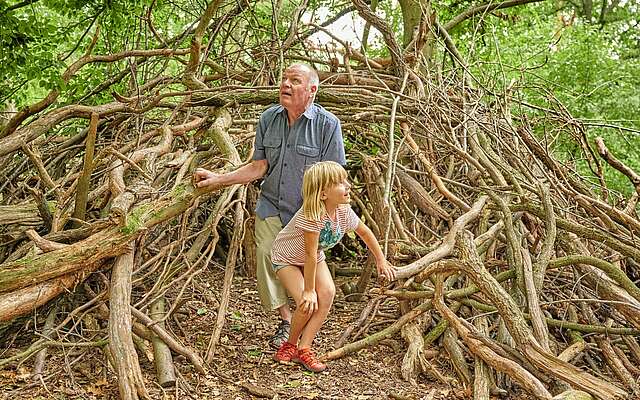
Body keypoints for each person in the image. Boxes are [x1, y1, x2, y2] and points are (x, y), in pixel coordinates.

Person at [194, 63, 346, 349]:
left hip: (307, 214)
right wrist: (219, 180)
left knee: (309, 277)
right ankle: (287, 320)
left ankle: (303, 331)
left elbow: (335, 177)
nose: (285, 85)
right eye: (284, 79)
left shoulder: (328, 125)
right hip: (272, 206)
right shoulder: (269, 119)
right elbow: (258, 166)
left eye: (294, 80)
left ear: (312, 90)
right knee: (266, 252)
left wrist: (330, 217)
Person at [271, 161, 396, 372]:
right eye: (339, 182)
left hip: (313, 256)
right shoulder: (312, 215)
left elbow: (364, 233)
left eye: (345, 180)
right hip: (288, 258)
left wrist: (380, 260)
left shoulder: (344, 211)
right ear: (322, 194)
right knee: (306, 302)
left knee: (328, 293)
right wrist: (309, 291)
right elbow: (309, 255)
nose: (347, 185)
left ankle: (305, 348)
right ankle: (290, 344)